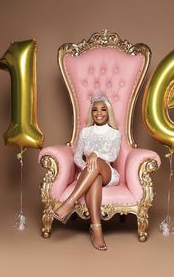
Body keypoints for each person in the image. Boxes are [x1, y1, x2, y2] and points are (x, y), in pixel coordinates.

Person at [55, 91, 122, 251]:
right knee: (95, 178)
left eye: (103, 109)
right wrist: (87, 166)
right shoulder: (85, 132)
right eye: (95, 110)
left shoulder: (115, 133)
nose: (99, 113)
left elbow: (112, 156)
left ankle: (70, 202)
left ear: (108, 112)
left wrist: (94, 155)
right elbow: (78, 157)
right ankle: (96, 228)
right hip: (90, 173)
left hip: (108, 174)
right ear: (91, 112)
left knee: (97, 165)